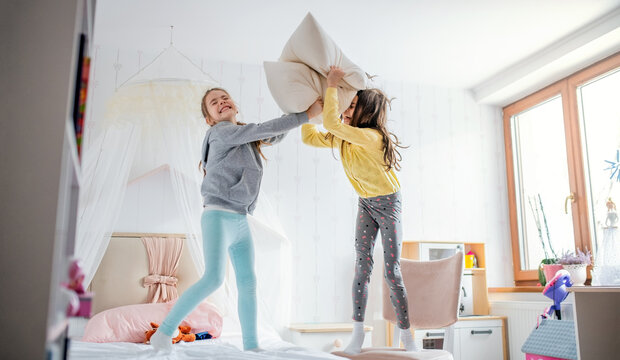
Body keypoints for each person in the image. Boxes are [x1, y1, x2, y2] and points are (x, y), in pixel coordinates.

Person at [150, 88, 323, 352]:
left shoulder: (244, 137)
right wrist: (306, 115)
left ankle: (252, 346)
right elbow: (262, 129)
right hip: (218, 215)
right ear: (209, 119)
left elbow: (272, 133)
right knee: (214, 278)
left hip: (241, 219)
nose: (221, 102)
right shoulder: (220, 133)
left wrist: (298, 110)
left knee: (248, 283)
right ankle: (163, 332)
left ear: (235, 105)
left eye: (225, 98)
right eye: (214, 102)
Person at [301, 67, 417, 354]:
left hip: (388, 203)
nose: (346, 110)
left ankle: (407, 335)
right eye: (346, 104)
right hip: (365, 202)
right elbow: (309, 137)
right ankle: (357, 335)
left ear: (366, 112)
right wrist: (307, 113)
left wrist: (331, 86)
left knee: (392, 272)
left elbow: (331, 123)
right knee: (361, 267)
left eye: (352, 105)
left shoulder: (371, 137)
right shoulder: (343, 137)